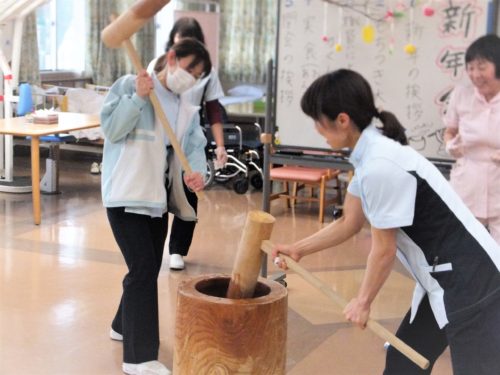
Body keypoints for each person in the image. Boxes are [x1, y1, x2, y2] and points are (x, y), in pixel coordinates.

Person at [271, 69, 500, 374]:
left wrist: (363, 302)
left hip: (473, 284)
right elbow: (349, 222)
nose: (316, 129)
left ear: (342, 120)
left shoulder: (380, 164)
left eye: (318, 121)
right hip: (440, 280)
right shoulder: (368, 156)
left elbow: (383, 250)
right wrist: (299, 248)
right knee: (402, 365)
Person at [100, 38, 211, 375]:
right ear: (173, 58)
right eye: (191, 68)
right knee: (144, 268)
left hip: (157, 200)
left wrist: (197, 173)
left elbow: (192, 147)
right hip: (125, 195)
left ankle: (122, 327)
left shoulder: (184, 106)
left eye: (199, 75)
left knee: (144, 268)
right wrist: (137, 97)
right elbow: (112, 130)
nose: (191, 77)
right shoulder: (128, 84)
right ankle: (139, 357)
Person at [148, 17, 228, 271]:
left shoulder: (206, 73)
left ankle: (178, 250)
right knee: (158, 194)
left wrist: (220, 145)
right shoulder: (156, 65)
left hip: (189, 138)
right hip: (159, 142)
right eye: (179, 43)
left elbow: (214, 110)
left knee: (189, 192)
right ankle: (153, 246)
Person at [443, 34, 500, 244]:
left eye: (482, 67)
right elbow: (450, 130)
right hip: (468, 180)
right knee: (462, 245)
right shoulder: (461, 94)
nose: (475, 74)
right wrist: (450, 145)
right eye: (471, 67)